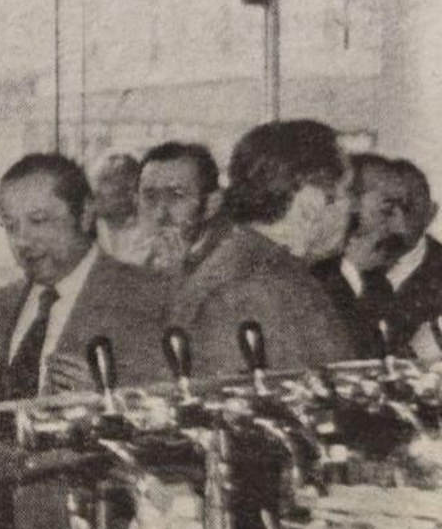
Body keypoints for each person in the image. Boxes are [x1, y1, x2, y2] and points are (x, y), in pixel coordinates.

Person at [0, 153, 170, 407]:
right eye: (10, 225)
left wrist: (111, 401)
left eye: (38, 221)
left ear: (85, 214)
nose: (22, 241)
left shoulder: (154, 299)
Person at [171, 120, 356, 377]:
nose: (352, 207)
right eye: (346, 192)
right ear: (311, 204)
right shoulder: (254, 287)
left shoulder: (256, 269)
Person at [311, 155, 442, 358]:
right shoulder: (309, 276)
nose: (400, 224)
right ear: (347, 204)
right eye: (387, 208)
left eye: (405, 207)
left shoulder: (377, 284)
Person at [136, 141, 227, 274]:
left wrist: (175, 277)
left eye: (176, 196)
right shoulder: (137, 258)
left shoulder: (235, 262)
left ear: (211, 205)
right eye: (150, 197)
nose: (160, 214)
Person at [91, 152, 152, 265]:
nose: (95, 189)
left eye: (105, 180)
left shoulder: (151, 235)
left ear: (130, 189)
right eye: (94, 180)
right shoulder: (86, 232)